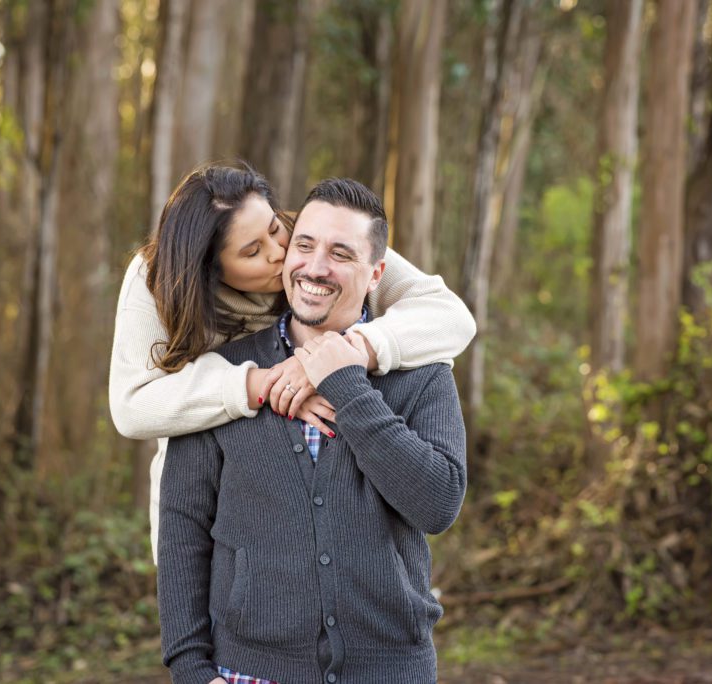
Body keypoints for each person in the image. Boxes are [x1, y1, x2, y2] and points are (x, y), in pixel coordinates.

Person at [158, 178, 467, 684]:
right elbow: (183, 528)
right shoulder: (223, 375)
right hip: (248, 672)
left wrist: (346, 381)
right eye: (304, 245)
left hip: (392, 671)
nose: (315, 267)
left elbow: (437, 505)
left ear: (376, 275)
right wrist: (190, 668)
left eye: (341, 253)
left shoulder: (422, 372)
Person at [108, 163, 475, 559]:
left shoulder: (317, 240)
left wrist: (341, 354)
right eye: (253, 252)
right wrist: (264, 384)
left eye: (274, 228)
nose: (280, 252)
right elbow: (132, 406)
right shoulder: (157, 277)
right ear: (209, 271)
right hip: (208, 508)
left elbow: (452, 316)